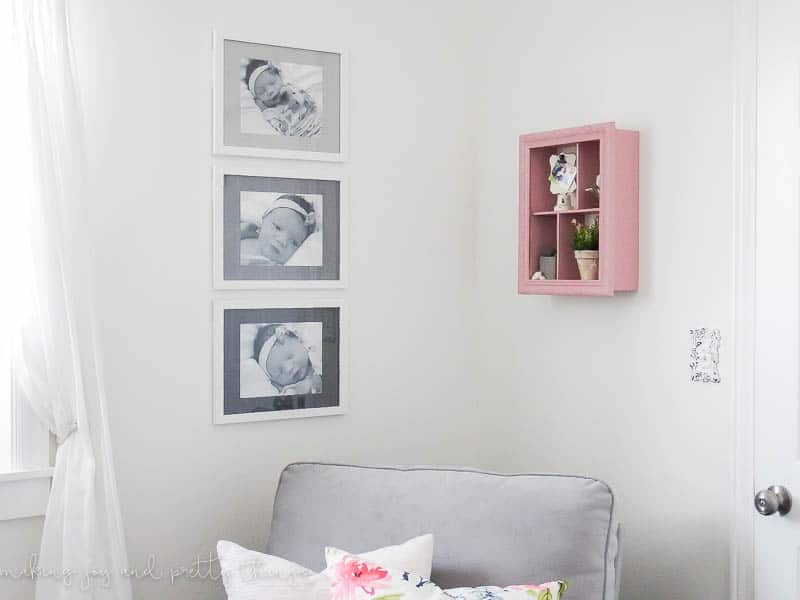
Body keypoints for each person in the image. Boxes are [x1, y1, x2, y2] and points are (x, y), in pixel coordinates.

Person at [243, 59, 321, 137]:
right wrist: (263, 108)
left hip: (318, 124)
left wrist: (290, 94)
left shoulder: (291, 89)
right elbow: (280, 129)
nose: (270, 91)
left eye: (272, 83)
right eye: (262, 91)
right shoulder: (271, 112)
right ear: (258, 99)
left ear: (280, 77)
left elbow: (308, 102)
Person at [240, 194, 317, 265]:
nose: (282, 240)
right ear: (263, 220)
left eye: (294, 242)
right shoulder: (243, 233)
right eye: (277, 227)